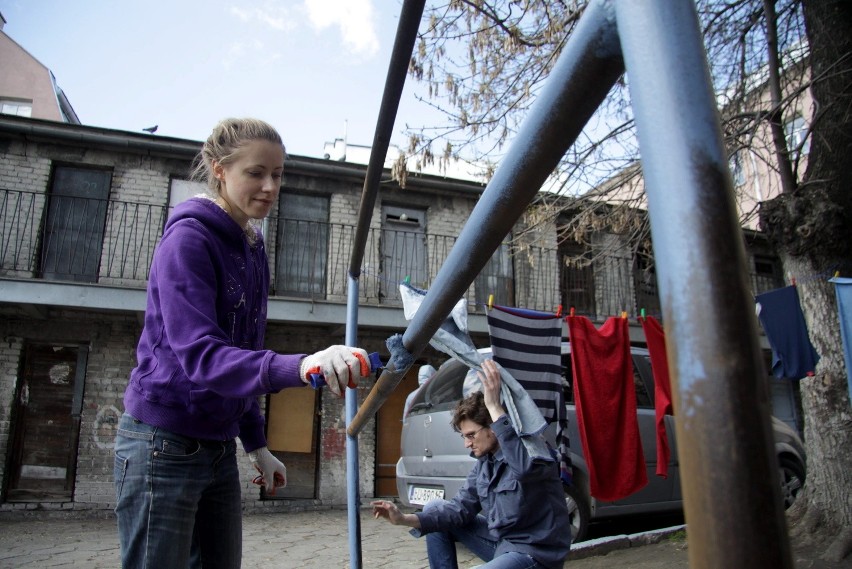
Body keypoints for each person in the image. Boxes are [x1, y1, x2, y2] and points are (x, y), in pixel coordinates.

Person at [114, 117, 368, 569]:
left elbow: (244, 351)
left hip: (217, 447)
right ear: (219, 169)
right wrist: (305, 364)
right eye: (256, 173)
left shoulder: (252, 246)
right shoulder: (188, 240)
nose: (270, 186)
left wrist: (255, 443)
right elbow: (203, 357)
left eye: (277, 174)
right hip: (162, 443)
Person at [372, 359, 572, 569]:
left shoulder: (533, 451)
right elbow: (458, 509)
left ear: (493, 428)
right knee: (434, 507)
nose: (467, 443)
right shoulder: (485, 463)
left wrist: (494, 406)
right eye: (463, 436)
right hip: (503, 545)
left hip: (535, 554)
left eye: (471, 435)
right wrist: (402, 518)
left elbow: (523, 470)